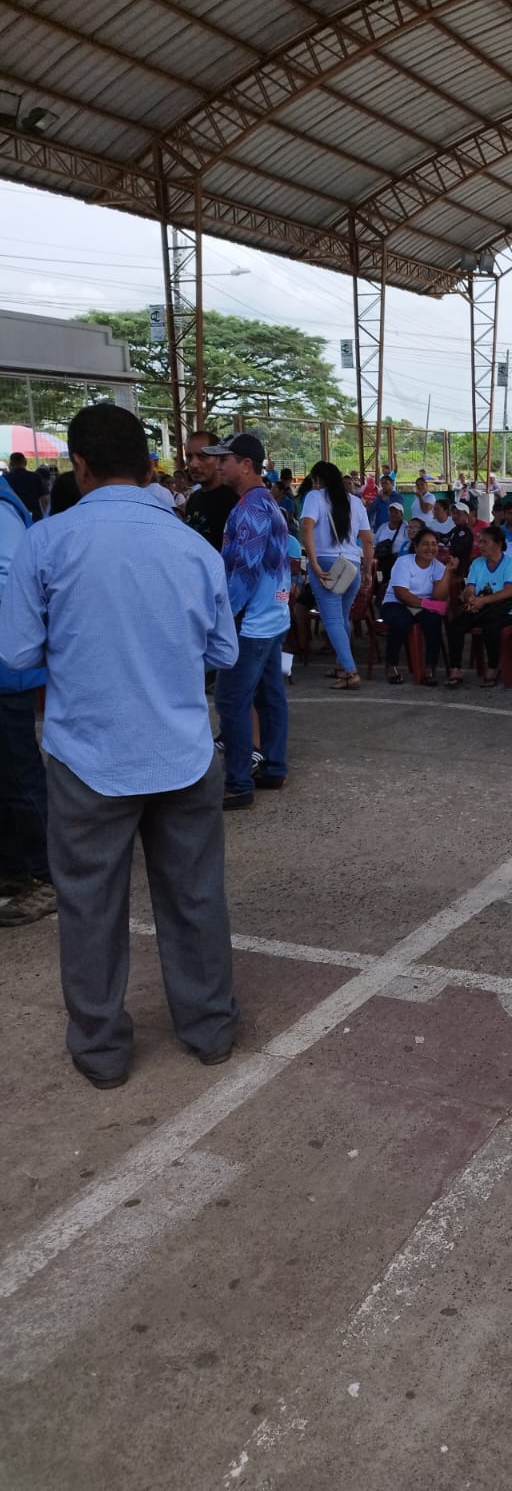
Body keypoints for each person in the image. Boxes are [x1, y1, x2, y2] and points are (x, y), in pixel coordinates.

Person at [0, 404, 239, 1090]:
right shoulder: (193, 547)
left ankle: (102, 1050)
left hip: (88, 756)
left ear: (79, 466)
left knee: (90, 907)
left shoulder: (48, 542)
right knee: (195, 899)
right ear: (146, 465)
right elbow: (223, 650)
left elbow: (16, 652)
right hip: (183, 751)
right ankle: (210, 1029)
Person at [206, 434, 291, 810]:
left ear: (245, 464)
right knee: (270, 696)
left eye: (224, 459)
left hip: (251, 621)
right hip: (272, 616)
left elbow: (245, 571)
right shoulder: (266, 503)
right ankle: (273, 767)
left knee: (231, 699)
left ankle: (238, 782)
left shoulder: (251, 509)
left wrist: (222, 615)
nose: (218, 465)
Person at [0, 462, 55, 928]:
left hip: (7, 672)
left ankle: (45, 875)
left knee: (20, 775)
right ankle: (16, 869)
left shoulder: (2, 513)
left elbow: (13, 585)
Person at [300, 460, 374, 692]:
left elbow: (306, 527)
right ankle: (342, 666)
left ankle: (350, 672)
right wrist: (367, 571)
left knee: (332, 620)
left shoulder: (314, 497)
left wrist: (313, 562)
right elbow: (368, 540)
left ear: (317, 480)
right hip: (352, 566)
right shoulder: (356, 501)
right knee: (341, 619)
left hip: (326, 564)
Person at [445, 528, 512, 688]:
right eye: (479, 542)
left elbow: (509, 591)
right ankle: (455, 669)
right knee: (455, 625)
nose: (480, 545)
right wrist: (471, 599)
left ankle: (493, 667)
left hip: (504, 610)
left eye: (485, 542)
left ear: (498, 544)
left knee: (491, 627)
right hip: (480, 608)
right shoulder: (477, 563)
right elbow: (470, 588)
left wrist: (483, 601)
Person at [383, 526, 451, 685]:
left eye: (434, 544)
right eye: (425, 544)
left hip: (423, 607)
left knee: (434, 621)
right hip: (396, 603)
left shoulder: (438, 567)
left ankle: (430, 668)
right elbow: (401, 593)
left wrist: (448, 572)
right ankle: (391, 665)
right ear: (416, 547)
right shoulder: (403, 562)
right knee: (401, 620)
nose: (430, 548)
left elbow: (439, 597)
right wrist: (428, 604)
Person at [184, 430, 238, 549]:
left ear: (219, 458)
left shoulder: (234, 502)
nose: (193, 464)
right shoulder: (193, 498)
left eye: (202, 456)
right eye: (189, 456)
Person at [4, 452, 44, 521]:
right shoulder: (35, 476)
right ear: (25, 463)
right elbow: (44, 499)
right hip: (35, 515)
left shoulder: (5, 479)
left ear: (10, 464)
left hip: (13, 515)